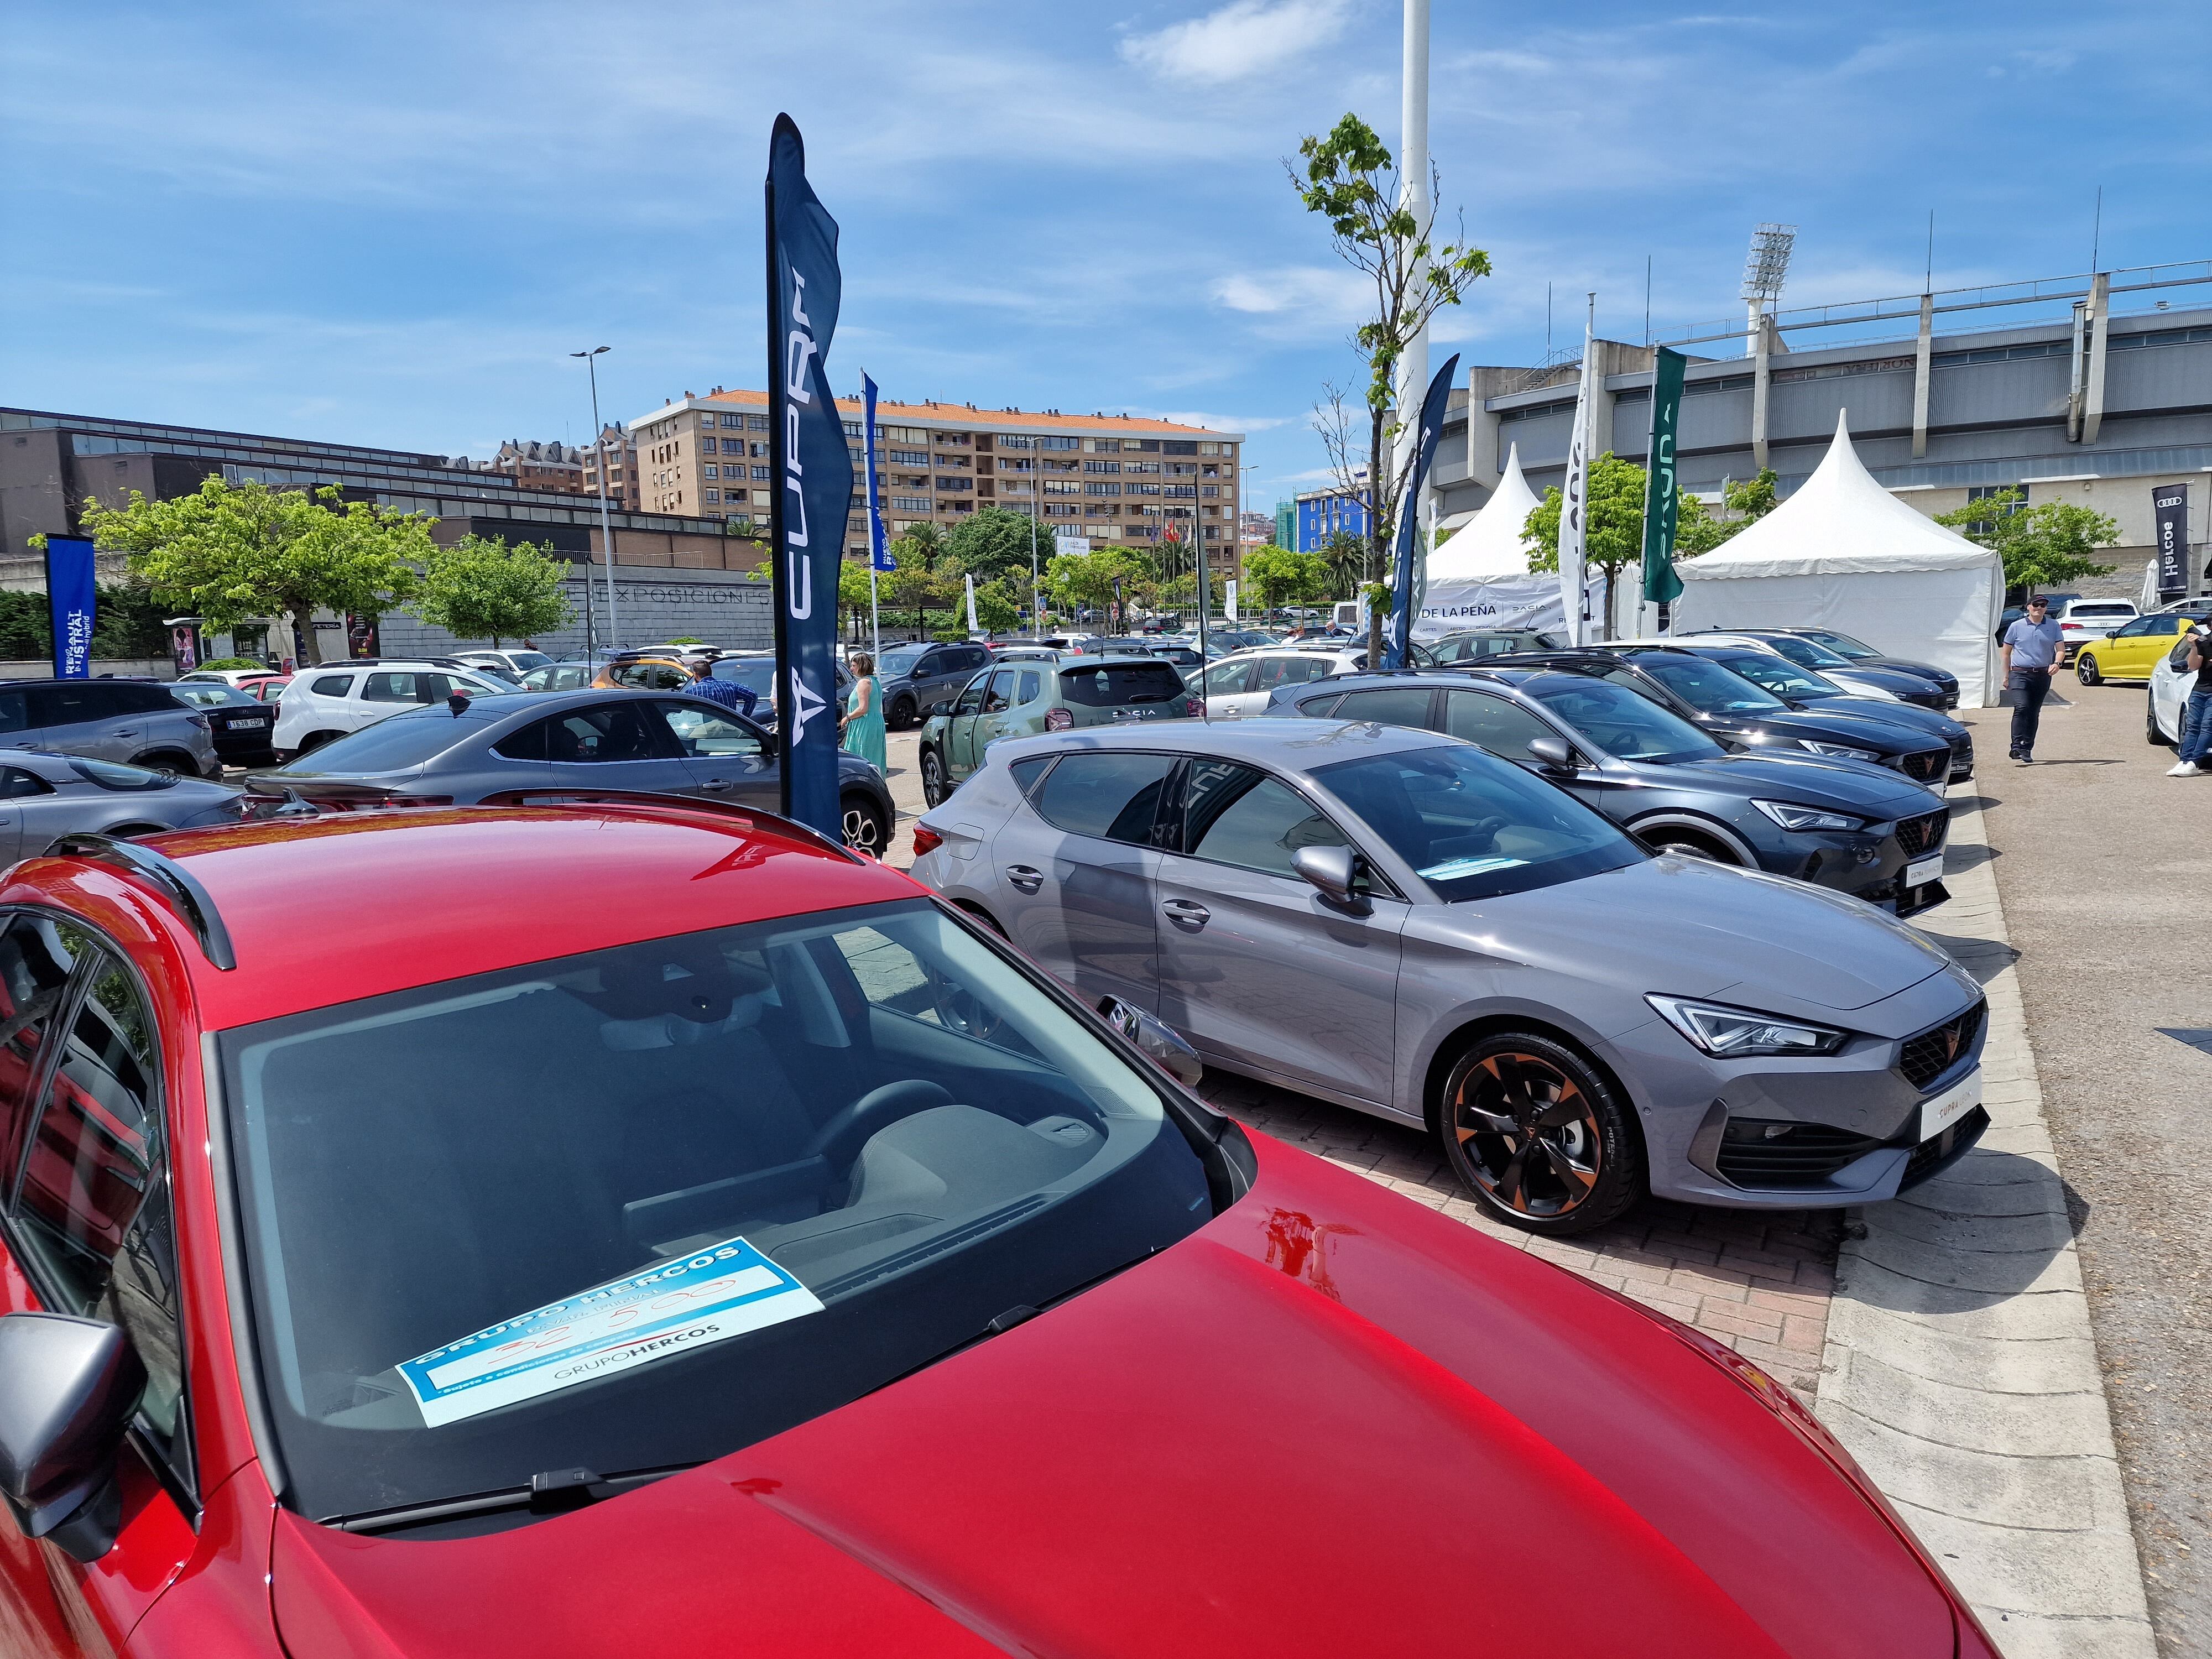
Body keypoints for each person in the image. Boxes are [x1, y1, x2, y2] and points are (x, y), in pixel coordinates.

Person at [2000, 593, 2064, 763]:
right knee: (2022, 707)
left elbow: (2061, 649)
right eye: (2036, 604)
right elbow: (2006, 653)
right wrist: (2006, 676)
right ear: (2028, 606)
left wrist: (2057, 664)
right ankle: (2016, 746)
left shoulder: (2053, 625)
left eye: (2043, 605)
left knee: (2034, 712)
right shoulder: (2016, 626)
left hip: (2042, 675)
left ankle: (2027, 748)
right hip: (2020, 673)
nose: (2039, 608)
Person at [2168, 624, 2212, 778]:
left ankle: (2194, 762)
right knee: (2193, 727)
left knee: (2207, 727)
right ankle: (2184, 761)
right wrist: (2194, 646)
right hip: (2200, 690)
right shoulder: (2206, 643)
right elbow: (2193, 666)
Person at [840, 651, 886, 773]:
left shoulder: (863, 683)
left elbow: (863, 708)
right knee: (874, 755)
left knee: (862, 756)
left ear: (862, 666)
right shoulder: (875, 681)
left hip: (864, 723)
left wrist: (847, 717)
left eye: (854, 666)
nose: (851, 668)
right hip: (875, 721)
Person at [685, 660, 758, 722]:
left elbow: (680, 706)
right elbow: (752, 695)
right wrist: (743, 717)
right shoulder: (730, 685)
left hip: (707, 730)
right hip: (732, 726)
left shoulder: (693, 690)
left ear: (696, 675)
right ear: (711, 673)